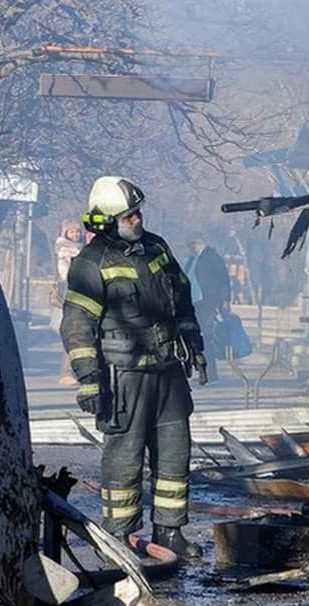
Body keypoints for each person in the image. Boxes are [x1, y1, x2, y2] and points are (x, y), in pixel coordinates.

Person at [60, 176, 208, 562]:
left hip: (168, 372)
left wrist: (194, 344)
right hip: (123, 378)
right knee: (125, 458)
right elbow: (77, 323)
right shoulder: (92, 263)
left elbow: (183, 297)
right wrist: (90, 379)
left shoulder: (157, 248)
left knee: (175, 455)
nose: (138, 218)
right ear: (109, 220)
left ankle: (170, 532)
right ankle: (120, 539)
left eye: (138, 212)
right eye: (130, 215)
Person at [51, 221, 85, 385]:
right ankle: (66, 372)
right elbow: (65, 275)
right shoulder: (65, 251)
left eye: (78, 232)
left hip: (79, 296)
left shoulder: (81, 249)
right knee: (71, 335)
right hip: (69, 296)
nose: (75, 235)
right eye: (72, 232)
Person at [186, 235, 232, 348]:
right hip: (194, 302)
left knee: (206, 335)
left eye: (192, 244)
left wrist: (225, 300)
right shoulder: (192, 259)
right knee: (195, 333)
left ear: (198, 243)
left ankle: (209, 363)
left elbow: (223, 279)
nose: (190, 247)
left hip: (207, 301)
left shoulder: (212, 257)